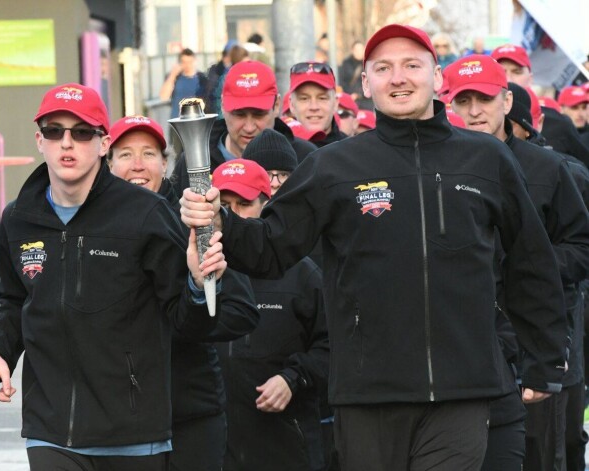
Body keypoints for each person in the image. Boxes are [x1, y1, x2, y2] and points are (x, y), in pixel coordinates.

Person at [180, 24, 568, 471]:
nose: (398, 78)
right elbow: (271, 247)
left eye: (411, 66)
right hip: (367, 394)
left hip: (463, 389)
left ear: (437, 77)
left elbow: (530, 261)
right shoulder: (335, 166)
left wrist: (545, 359)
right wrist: (220, 221)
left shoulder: (486, 159)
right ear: (365, 83)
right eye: (383, 68)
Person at [0, 83, 231, 471]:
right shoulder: (17, 218)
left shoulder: (145, 214)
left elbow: (185, 317)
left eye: (81, 133)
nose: (67, 143)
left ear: (102, 144)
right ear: (39, 141)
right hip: (51, 431)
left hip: (133, 436)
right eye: (54, 131)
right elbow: (13, 301)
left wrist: (197, 283)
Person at [447, 55, 589, 470]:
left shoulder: (548, 168)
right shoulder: (436, 167)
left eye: (485, 99)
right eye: (464, 100)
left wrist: (526, 267)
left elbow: (582, 246)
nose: (474, 111)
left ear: (507, 102)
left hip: (535, 343)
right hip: (463, 346)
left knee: (544, 454)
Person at [106, 115, 259, 471]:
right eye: (125, 154)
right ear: (108, 162)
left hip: (189, 414)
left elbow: (243, 310)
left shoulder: (196, 221)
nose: (138, 165)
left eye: (148, 153)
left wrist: (187, 307)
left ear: (165, 161)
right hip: (116, 421)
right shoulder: (93, 229)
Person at [211, 157, 329, 471]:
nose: (231, 214)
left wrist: (294, 378)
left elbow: (334, 347)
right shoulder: (196, 272)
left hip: (287, 450)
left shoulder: (302, 274)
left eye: (244, 203)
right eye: (222, 205)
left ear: (268, 205)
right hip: (215, 452)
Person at [170, 60, 317, 196]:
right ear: (223, 105)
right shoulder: (195, 160)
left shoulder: (306, 158)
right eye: (239, 114)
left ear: (277, 105)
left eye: (259, 115)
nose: (249, 127)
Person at [491, 44, 589, 165]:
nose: (508, 78)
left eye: (517, 71)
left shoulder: (558, 122)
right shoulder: (476, 119)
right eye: (501, 72)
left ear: (530, 78)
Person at [288, 61, 347, 147]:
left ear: (335, 103)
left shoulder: (352, 152)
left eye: (322, 98)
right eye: (304, 98)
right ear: (292, 105)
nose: (314, 107)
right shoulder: (279, 151)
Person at [159, 48, 207, 119]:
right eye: (184, 62)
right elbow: (163, 97)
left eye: (190, 62)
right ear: (180, 63)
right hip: (177, 121)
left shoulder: (202, 78)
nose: (187, 65)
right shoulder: (175, 77)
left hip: (196, 121)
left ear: (195, 61)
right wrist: (173, 75)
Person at [204, 40, 238, 116]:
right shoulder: (215, 70)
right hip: (217, 114)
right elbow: (210, 92)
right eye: (226, 55)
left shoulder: (238, 71)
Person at [339, 40, 372, 109]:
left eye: (361, 49)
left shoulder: (369, 63)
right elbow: (342, 81)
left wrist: (359, 94)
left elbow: (372, 83)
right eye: (356, 50)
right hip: (350, 100)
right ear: (352, 50)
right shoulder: (346, 63)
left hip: (366, 101)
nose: (359, 52)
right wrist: (349, 95)